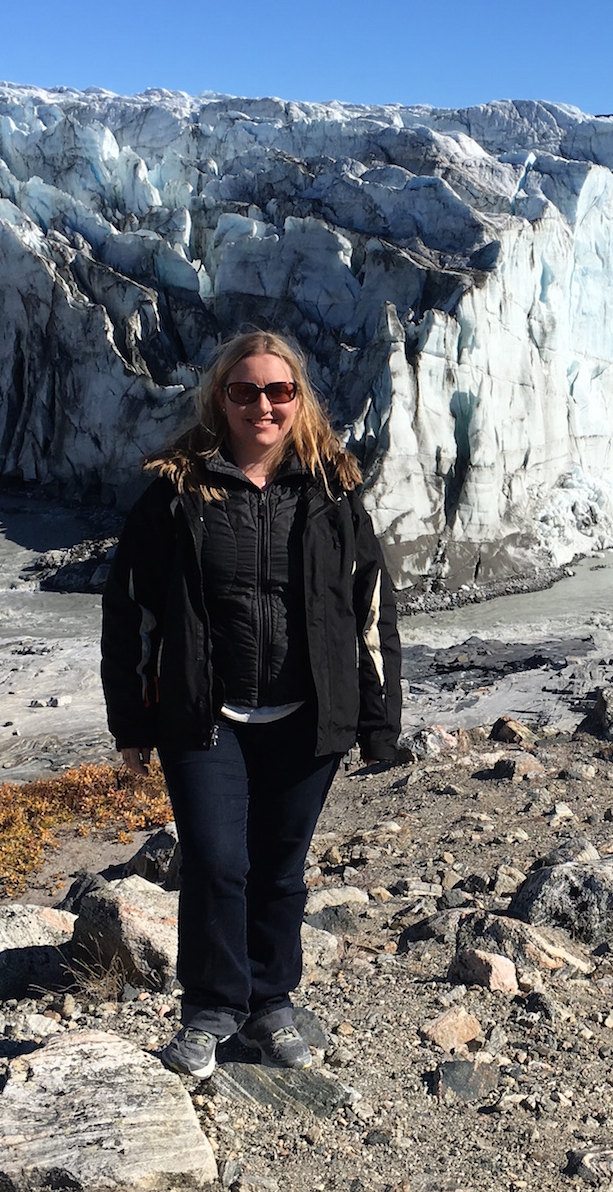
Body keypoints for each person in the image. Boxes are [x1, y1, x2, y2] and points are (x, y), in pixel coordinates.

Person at [100, 329, 400, 1078]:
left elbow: (370, 609)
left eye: (278, 391)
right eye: (244, 391)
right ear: (220, 399)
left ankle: (270, 1005)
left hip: (308, 715)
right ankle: (209, 1010)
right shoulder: (176, 493)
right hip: (206, 714)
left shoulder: (332, 491)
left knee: (279, 869)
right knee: (214, 859)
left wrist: (378, 720)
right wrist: (131, 719)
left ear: (299, 400)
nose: (262, 406)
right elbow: (130, 609)